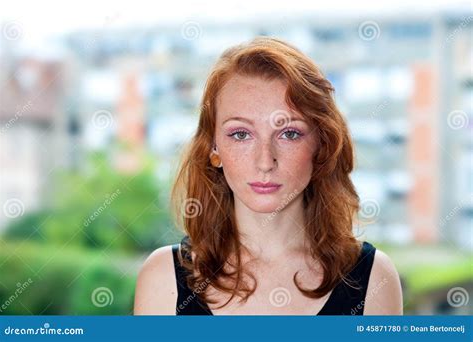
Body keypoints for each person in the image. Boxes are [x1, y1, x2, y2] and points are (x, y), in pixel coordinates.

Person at [134, 37, 403, 315]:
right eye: (241, 134)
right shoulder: (163, 279)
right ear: (214, 148)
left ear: (321, 145)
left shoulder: (374, 279)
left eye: (289, 134)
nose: (265, 162)